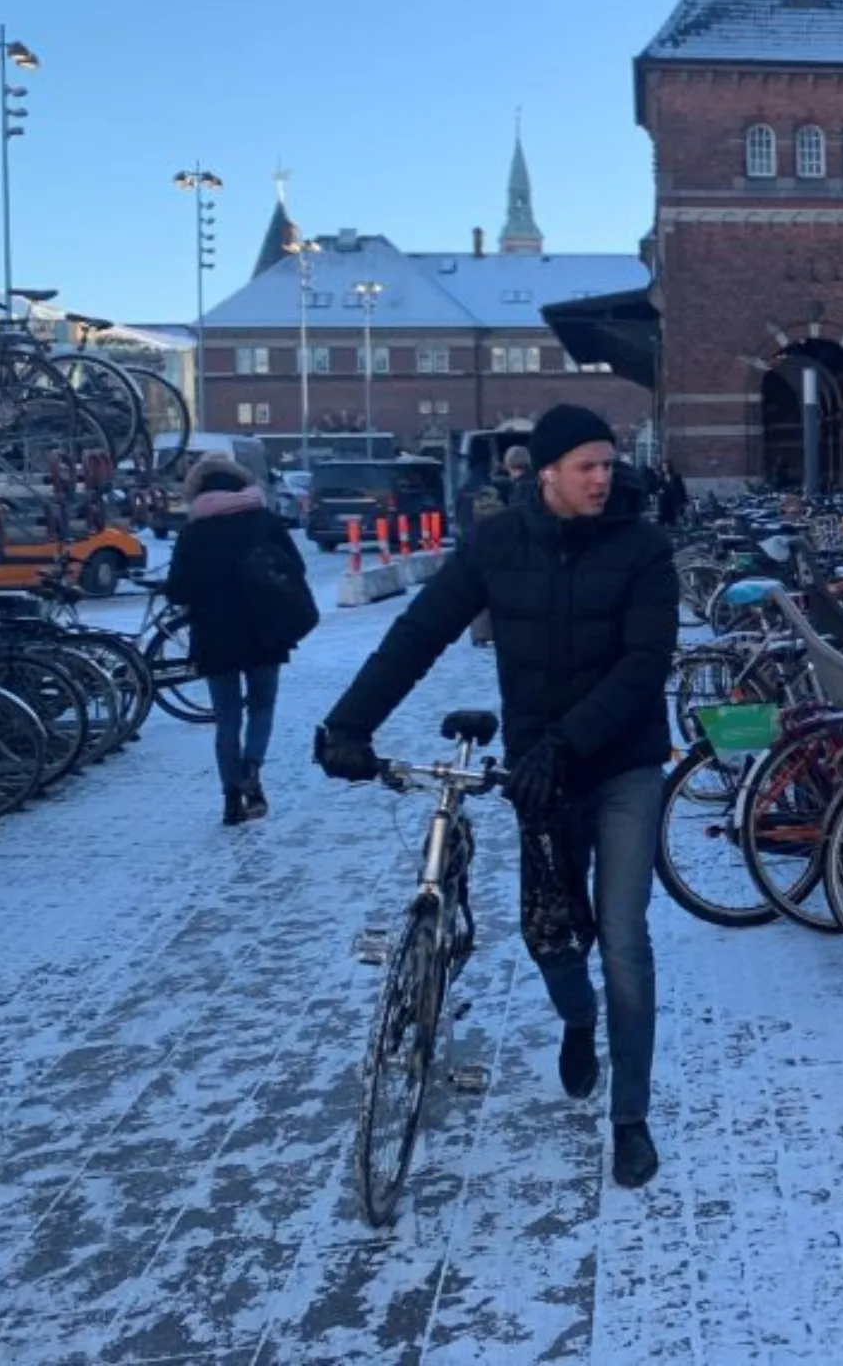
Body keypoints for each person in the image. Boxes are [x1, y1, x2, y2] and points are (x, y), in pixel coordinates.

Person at [316, 405, 679, 1189]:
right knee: (550, 935)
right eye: (586, 465)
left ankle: (631, 1119)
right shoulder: (495, 544)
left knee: (623, 939)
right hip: (538, 773)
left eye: (608, 464)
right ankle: (578, 1022)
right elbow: (418, 633)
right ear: (543, 471)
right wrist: (348, 723)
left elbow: (646, 663)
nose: (602, 477)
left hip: (622, 766)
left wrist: (566, 742)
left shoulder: (643, 546)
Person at [164, 453, 310, 826]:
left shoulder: (193, 532)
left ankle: (231, 797)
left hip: (215, 637)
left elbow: (177, 591)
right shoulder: (263, 521)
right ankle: (253, 771)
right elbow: (296, 568)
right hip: (265, 631)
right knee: (261, 706)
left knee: (226, 717)